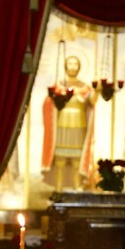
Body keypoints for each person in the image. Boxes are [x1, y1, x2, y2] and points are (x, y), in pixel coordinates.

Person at [42, 55, 97, 190]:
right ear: (65, 66)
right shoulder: (59, 85)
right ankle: (59, 189)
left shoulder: (85, 87)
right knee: (60, 160)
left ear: (79, 67)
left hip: (79, 126)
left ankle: (76, 189)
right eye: (70, 64)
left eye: (75, 64)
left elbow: (93, 101)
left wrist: (98, 88)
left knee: (76, 161)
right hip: (62, 125)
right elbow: (48, 103)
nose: (73, 67)